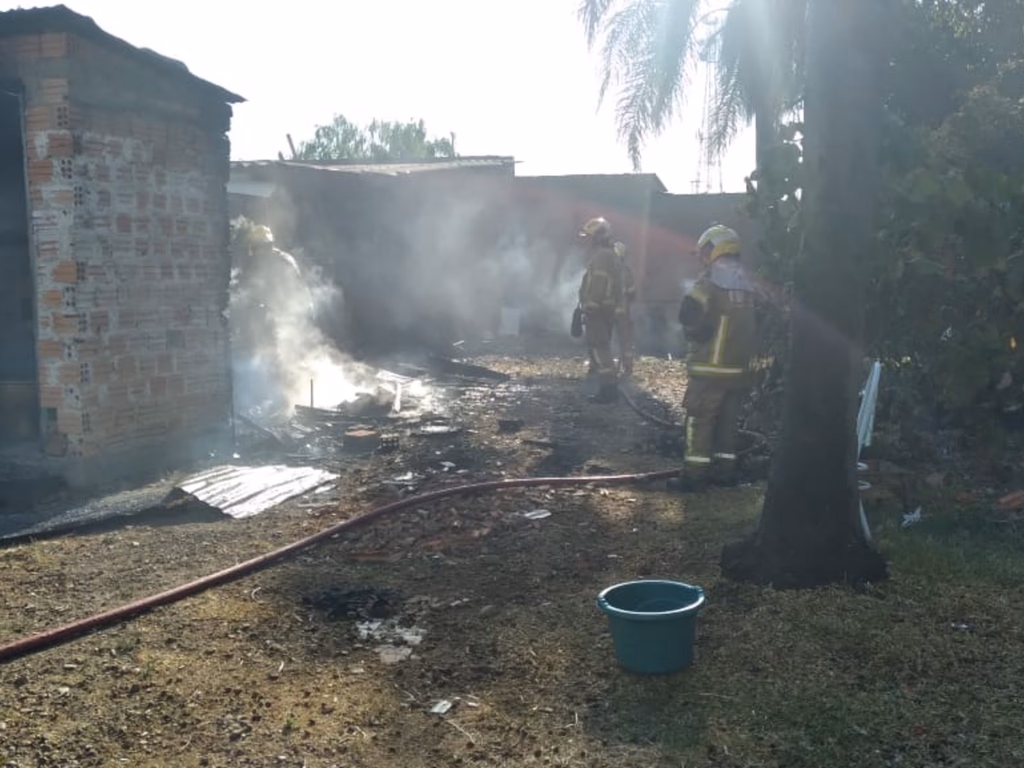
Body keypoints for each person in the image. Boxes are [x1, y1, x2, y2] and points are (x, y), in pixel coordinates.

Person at [669, 224, 757, 490]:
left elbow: (688, 312)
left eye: (706, 250)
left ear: (716, 248)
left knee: (700, 420)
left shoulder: (710, 280)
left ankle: (694, 477)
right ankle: (724, 472)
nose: (703, 256)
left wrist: (696, 331)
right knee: (728, 423)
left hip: (710, 367)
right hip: (738, 370)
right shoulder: (746, 283)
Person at [577, 217, 623, 403]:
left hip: (598, 310)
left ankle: (608, 389)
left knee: (599, 347)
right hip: (603, 309)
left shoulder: (602, 256)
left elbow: (598, 283)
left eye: (589, 237)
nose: (586, 242)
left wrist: (591, 306)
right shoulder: (607, 255)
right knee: (599, 347)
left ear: (598, 237)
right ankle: (607, 386)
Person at [613, 240, 637, 376]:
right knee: (625, 342)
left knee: (607, 340)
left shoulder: (606, 270)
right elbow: (632, 292)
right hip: (622, 313)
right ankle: (627, 368)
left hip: (607, 312)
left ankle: (608, 367)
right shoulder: (626, 271)